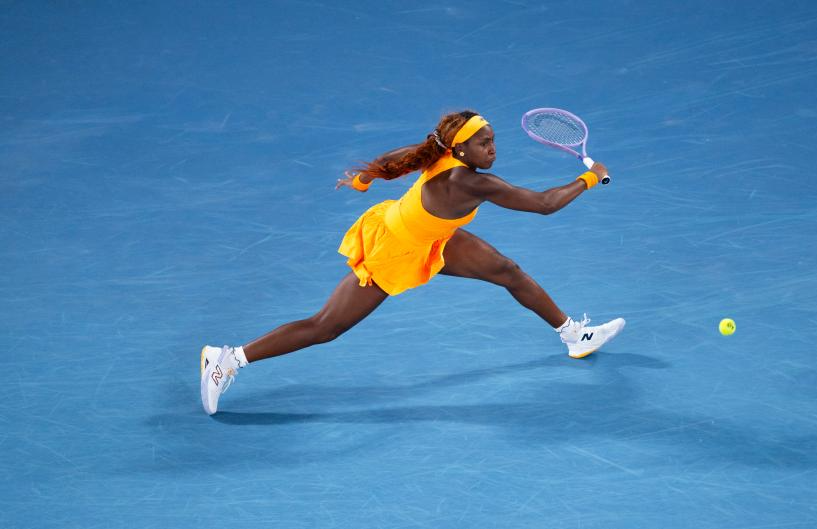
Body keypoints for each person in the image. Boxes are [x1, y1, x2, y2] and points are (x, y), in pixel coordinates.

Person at [200, 110, 625, 415]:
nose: (492, 149)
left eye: (493, 140)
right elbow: (544, 204)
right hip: (396, 249)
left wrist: (364, 179)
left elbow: (391, 160)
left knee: (507, 271)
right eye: (484, 143)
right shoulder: (470, 182)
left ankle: (574, 335)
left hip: (431, 235)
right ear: (461, 149)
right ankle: (228, 359)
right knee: (325, 327)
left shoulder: (435, 153)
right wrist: (589, 178)